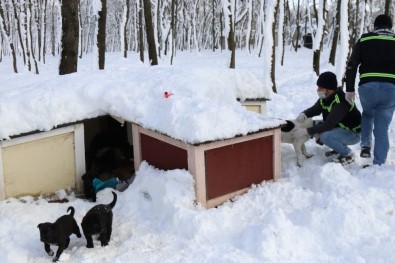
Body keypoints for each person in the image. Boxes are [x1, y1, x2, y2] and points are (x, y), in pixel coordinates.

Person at [344, 14, 395, 166]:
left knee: (367, 114)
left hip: (368, 86)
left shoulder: (365, 39)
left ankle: (365, 146)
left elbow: (352, 65)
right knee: (382, 126)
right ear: (390, 27)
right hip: (391, 88)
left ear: (376, 26)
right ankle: (379, 162)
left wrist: (350, 89)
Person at [292, 71, 362, 165]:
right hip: (341, 127)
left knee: (325, 136)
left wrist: (306, 131)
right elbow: (315, 109)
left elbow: (328, 125)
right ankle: (338, 148)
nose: (318, 90)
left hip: (354, 133)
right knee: (316, 125)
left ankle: (348, 154)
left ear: (329, 89)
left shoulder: (341, 101)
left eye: (320, 87)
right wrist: (304, 114)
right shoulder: (326, 98)